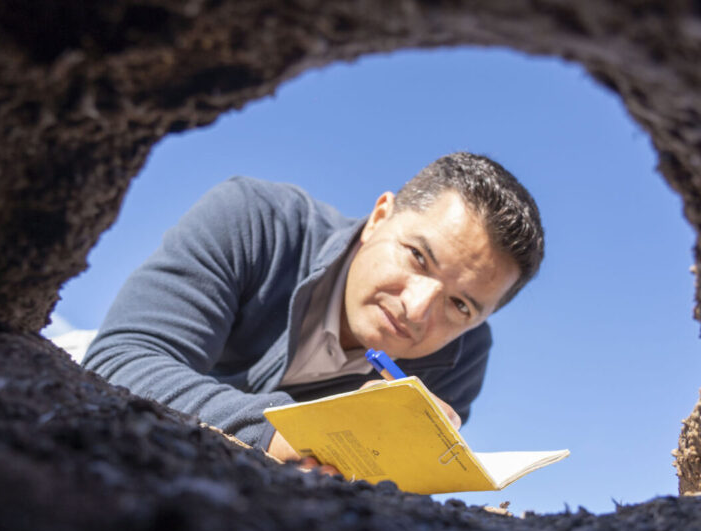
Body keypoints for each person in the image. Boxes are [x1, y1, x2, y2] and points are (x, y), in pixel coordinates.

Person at [83, 152, 544, 470]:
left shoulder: (462, 356)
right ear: (380, 216)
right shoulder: (257, 219)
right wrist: (294, 435)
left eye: (460, 305)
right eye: (418, 257)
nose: (417, 309)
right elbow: (122, 360)